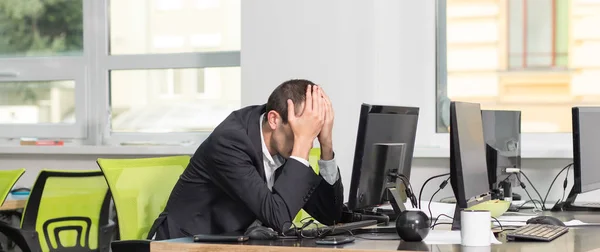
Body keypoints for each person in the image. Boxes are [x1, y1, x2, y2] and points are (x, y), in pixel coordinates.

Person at [150, 79, 344, 239]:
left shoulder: (283, 143)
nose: (308, 140)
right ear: (274, 120)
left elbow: (329, 215)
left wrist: (326, 145)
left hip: (235, 243)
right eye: (302, 131)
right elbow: (279, 218)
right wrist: (302, 142)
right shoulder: (230, 142)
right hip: (183, 243)